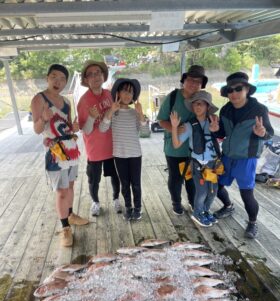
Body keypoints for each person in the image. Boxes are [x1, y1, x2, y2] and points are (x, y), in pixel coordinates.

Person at [210, 72, 274, 239]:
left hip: (247, 159)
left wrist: (262, 132)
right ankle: (228, 206)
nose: (234, 93)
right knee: (215, 186)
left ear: (246, 89)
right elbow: (223, 133)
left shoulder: (259, 109)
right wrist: (216, 131)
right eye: (230, 90)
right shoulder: (225, 109)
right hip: (227, 156)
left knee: (247, 195)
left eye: (238, 89)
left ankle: (252, 222)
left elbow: (269, 134)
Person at [31, 64, 89, 248]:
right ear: (47, 78)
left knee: (70, 185)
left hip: (70, 148)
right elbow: (37, 129)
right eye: (54, 77)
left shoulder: (66, 101)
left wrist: (74, 127)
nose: (58, 82)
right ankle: (64, 228)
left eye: (62, 78)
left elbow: (68, 127)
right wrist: (44, 118)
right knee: (62, 191)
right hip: (55, 151)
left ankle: (70, 215)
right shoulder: (39, 99)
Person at [157, 65, 208, 215]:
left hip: (195, 148)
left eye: (198, 81)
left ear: (201, 85)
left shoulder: (202, 99)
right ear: (184, 81)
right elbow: (161, 120)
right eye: (190, 79)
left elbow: (208, 116)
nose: (193, 83)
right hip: (175, 147)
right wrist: (174, 128)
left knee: (192, 178)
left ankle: (193, 202)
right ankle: (176, 203)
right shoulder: (173, 97)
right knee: (176, 178)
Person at [77, 60, 121, 217]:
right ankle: (95, 202)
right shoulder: (83, 101)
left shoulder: (110, 94)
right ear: (86, 79)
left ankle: (116, 199)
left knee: (116, 176)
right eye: (91, 74)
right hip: (94, 149)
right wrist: (90, 117)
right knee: (93, 180)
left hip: (113, 147)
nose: (95, 76)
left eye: (98, 73)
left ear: (103, 76)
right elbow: (86, 130)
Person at [171, 91, 221, 227]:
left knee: (213, 190)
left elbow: (222, 137)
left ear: (207, 106)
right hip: (197, 163)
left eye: (201, 104)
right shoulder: (188, 125)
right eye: (195, 104)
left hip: (212, 163)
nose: (197, 107)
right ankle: (197, 213)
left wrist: (216, 130)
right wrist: (175, 127)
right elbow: (176, 145)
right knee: (202, 191)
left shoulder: (214, 121)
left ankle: (205, 211)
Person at [100, 78, 146, 221]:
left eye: (131, 92)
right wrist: (110, 112)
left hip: (135, 154)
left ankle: (138, 208)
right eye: (124, 91)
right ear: (118, 93)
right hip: (119, 155)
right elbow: (102, 128)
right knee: (124, 184)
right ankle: (128, 207)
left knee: (136, 184)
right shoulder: (113, 112)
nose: (127, 95)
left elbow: (144, 131)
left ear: (134, 96)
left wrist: (141, 114)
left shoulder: (134, 113)